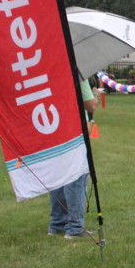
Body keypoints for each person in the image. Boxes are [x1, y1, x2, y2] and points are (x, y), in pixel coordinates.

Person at [49, 77, 98, 239]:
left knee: (58, 177)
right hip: (73, 131)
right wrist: (95, 95)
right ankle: (75, 227)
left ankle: (57, 224)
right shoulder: (76, 73)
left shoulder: (49, 72)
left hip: (53, 128)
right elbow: (90, 105)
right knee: (76, 178)